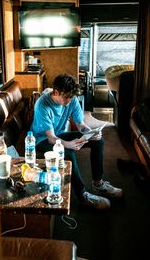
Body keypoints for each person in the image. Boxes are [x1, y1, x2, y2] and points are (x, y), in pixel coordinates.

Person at [31, 73, 123, 209]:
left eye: (71, 96)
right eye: (67, 97)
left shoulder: (72, 99)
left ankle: (98, 183)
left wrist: (90, 133)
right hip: (42, 139)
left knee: (98, 141)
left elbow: (80, 124)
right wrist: (69, 144)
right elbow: (51, 138)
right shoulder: (42, 105)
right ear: (56, 92)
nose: (70, 100)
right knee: (67, 152)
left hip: (60, 135)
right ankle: (82, 195)